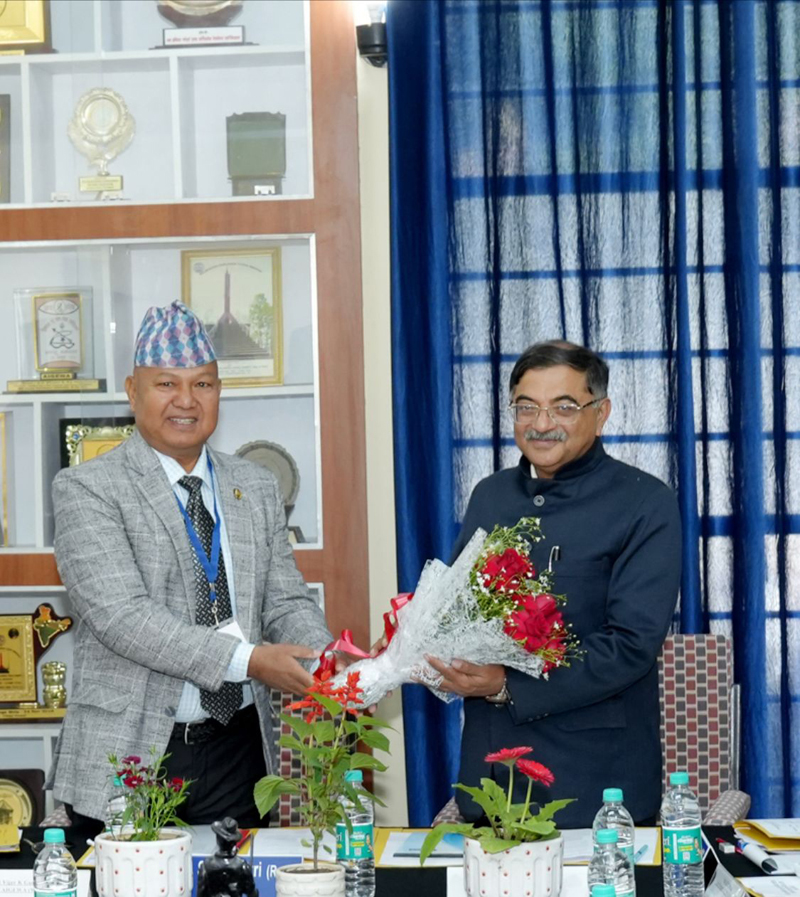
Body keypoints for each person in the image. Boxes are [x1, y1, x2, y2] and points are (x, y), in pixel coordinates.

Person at [49, 301, 333, 834]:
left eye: (203, 385)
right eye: (166, 384)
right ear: (133, 392)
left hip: (238, 748)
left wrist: (320, 660)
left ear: (219, 392)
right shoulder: (87, 488)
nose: (186, 401)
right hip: (131, 755)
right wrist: (250, 661)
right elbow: (123, 619)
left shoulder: (256, 485)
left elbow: (286, 599)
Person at [427, 340, 681, 827]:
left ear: (601, 412)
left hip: (595, 787)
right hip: (492, 780)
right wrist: (415, 647)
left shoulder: (644, 502)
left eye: (564, 407)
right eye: (527, 407)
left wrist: (508, 685)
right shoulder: (491, 495)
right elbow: (456, 610)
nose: (542, 424)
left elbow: (631, 645)